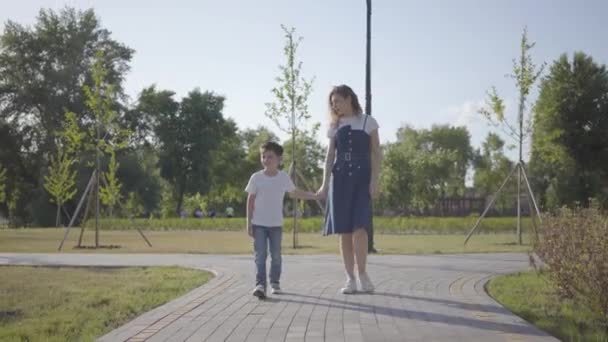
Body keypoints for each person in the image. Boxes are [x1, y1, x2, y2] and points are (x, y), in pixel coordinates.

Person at [317, 85, 382, 294]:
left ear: (349, 99)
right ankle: (350, 279)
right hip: (341, 179)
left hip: (362, 179)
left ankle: (363, 275)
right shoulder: (335, 125)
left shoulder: (367, 121)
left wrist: (375, 180)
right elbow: (329, 157)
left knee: (360, 228)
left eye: (337, 101)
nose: (334, 106)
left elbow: (376, 153)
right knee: (344, 231)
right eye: (332, 103)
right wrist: (324, 184)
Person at [245, 141, 317, 299]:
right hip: (258, 224)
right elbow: (250, 201)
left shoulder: (283, 177)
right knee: (260, 255)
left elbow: (294, 193)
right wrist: (248, 223)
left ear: (279, 159)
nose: (266, 159)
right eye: (263, 156)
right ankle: (260, 285)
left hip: (276, 225)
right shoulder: (256, 178)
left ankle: (275, 282)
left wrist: (313, 195)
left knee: (276, 255)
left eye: (270, 157)